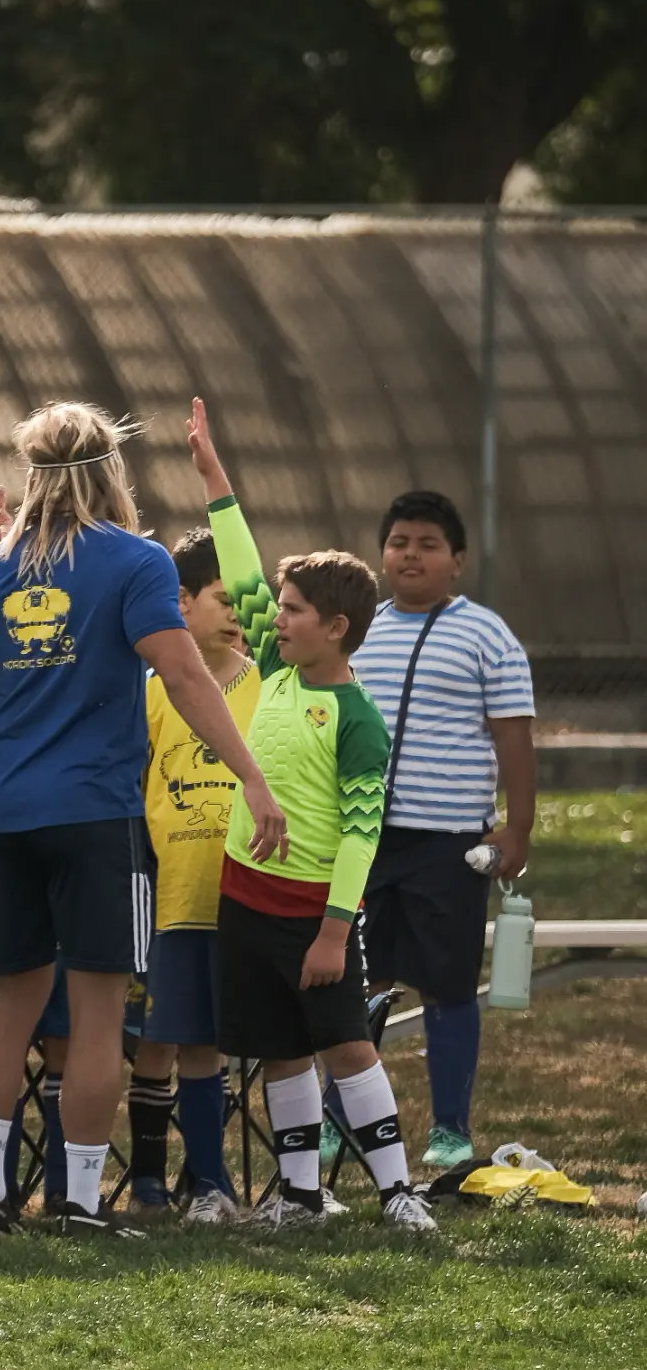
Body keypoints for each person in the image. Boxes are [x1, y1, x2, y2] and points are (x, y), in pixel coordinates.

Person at [0, 399, 287, 1241]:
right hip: (96, 815)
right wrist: (249, 775)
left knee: (14, 1006)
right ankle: (76, 1203)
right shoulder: (132, 560)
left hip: (7, 813)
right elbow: (181, 673)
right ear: (111, 472)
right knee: (97, 1013)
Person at [188, 398, 435, 1234]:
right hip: (243, 898)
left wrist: (334, 931)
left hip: (313, 918)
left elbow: (362, 832)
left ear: (335, 629)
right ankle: (300, 1196)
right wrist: (216, 482)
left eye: (292, 612)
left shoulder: (357, 718)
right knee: (277, 1049)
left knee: (345, 1046)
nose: (272, 619)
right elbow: (245, 572)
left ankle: (398, 1192)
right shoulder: (282, 670)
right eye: (278, 610)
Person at [349, 492, 536, 1169]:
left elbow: (513, 736)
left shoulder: (486, 634)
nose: (409, 555)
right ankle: (338, 1117)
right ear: (380, 555)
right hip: (363, 839)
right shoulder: (357, 629)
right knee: (359, 979)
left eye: (427, 545)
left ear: (455, 561)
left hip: (447, 842)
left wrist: (516, 830)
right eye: (398, 542)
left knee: (446, 984)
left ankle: (450, 1131)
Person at [126, 525, 261, 1224]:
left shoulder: (265, 689)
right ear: (181, 602)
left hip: (240, 901)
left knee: (211, 1040)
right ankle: (154, 1179)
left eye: (244, 595)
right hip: (171, 901)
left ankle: (210, 1182)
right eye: (219, 596)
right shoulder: (151, 693)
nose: (235, 609)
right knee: (171, 1039)